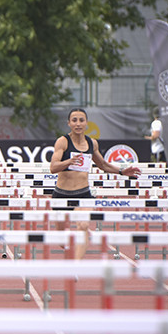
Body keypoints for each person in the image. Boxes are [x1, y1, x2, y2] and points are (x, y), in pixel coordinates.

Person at [49, 107, 142, 261]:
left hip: (83, 193)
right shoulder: (63, 141)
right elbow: (53, 167)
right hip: (61, 194)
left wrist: (122, 171)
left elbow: (103, 165)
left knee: (84, 226)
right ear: (69, 123)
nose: (78, 124)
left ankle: (75, 265)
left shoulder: (92, 144)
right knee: (61, 239)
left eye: (81, 120)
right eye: (74, 120)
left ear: (86, 123)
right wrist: (69, 162)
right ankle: (69, 249)